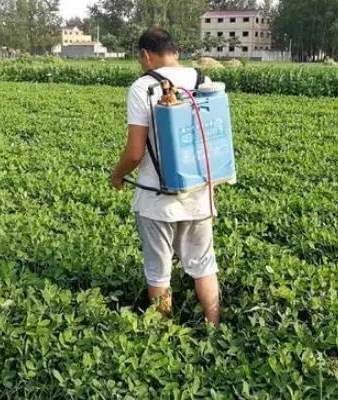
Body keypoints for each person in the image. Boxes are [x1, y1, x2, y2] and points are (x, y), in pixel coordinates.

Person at [110, 28, 220, 324]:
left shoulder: (142, 87)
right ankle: (215, 327)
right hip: (199, 191)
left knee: (158, 270)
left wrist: (117, 175)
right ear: (175, 52)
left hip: (157, 199)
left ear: (145, 55)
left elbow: (135, 152)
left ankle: (164, 336)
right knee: (203, 265)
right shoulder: (202, 79)